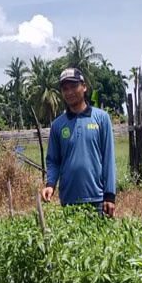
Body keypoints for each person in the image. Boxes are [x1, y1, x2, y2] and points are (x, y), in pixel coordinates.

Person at [41, 67, 116, 216]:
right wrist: (50, 184)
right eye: (65, 89)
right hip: (69, 201)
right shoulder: (58, 125)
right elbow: (53, 161)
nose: (69, 92)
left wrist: (110, 195)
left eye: (74, 87)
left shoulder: (101, 118)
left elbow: (108, 159)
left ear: (84, 86)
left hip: (98, 200)